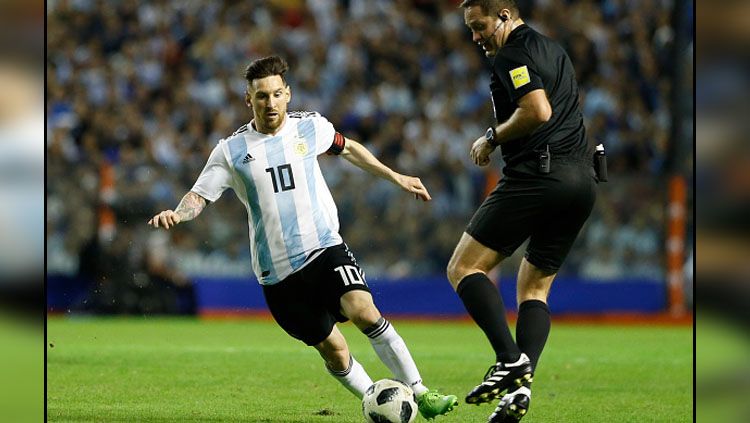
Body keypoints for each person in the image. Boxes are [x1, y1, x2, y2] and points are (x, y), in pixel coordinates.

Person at [148, 55, 457, 419]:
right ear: (249, 99)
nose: (270, 102)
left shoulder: (310, 128)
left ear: (288, 94)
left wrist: (396, 177)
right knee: (335, 351)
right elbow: (199, 195)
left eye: (277, 94)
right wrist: (178, 213)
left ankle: (420, 393)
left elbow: (349, 148)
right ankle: (373, 399)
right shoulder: (231, 151)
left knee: (365, 311)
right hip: (277, 273)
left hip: (324, 247)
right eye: (261, 96)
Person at [447, 1, 598, 422]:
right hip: (582, 181)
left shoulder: (513, 52)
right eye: (471, 30)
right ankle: (520, 390)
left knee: (463, 268)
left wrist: (491, 137)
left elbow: (537, 110)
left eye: (479, 27)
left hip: (538, 176)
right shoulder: (553, 48)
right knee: (533, 289)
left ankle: (509, 359)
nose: (475, 37)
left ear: (506, 14)